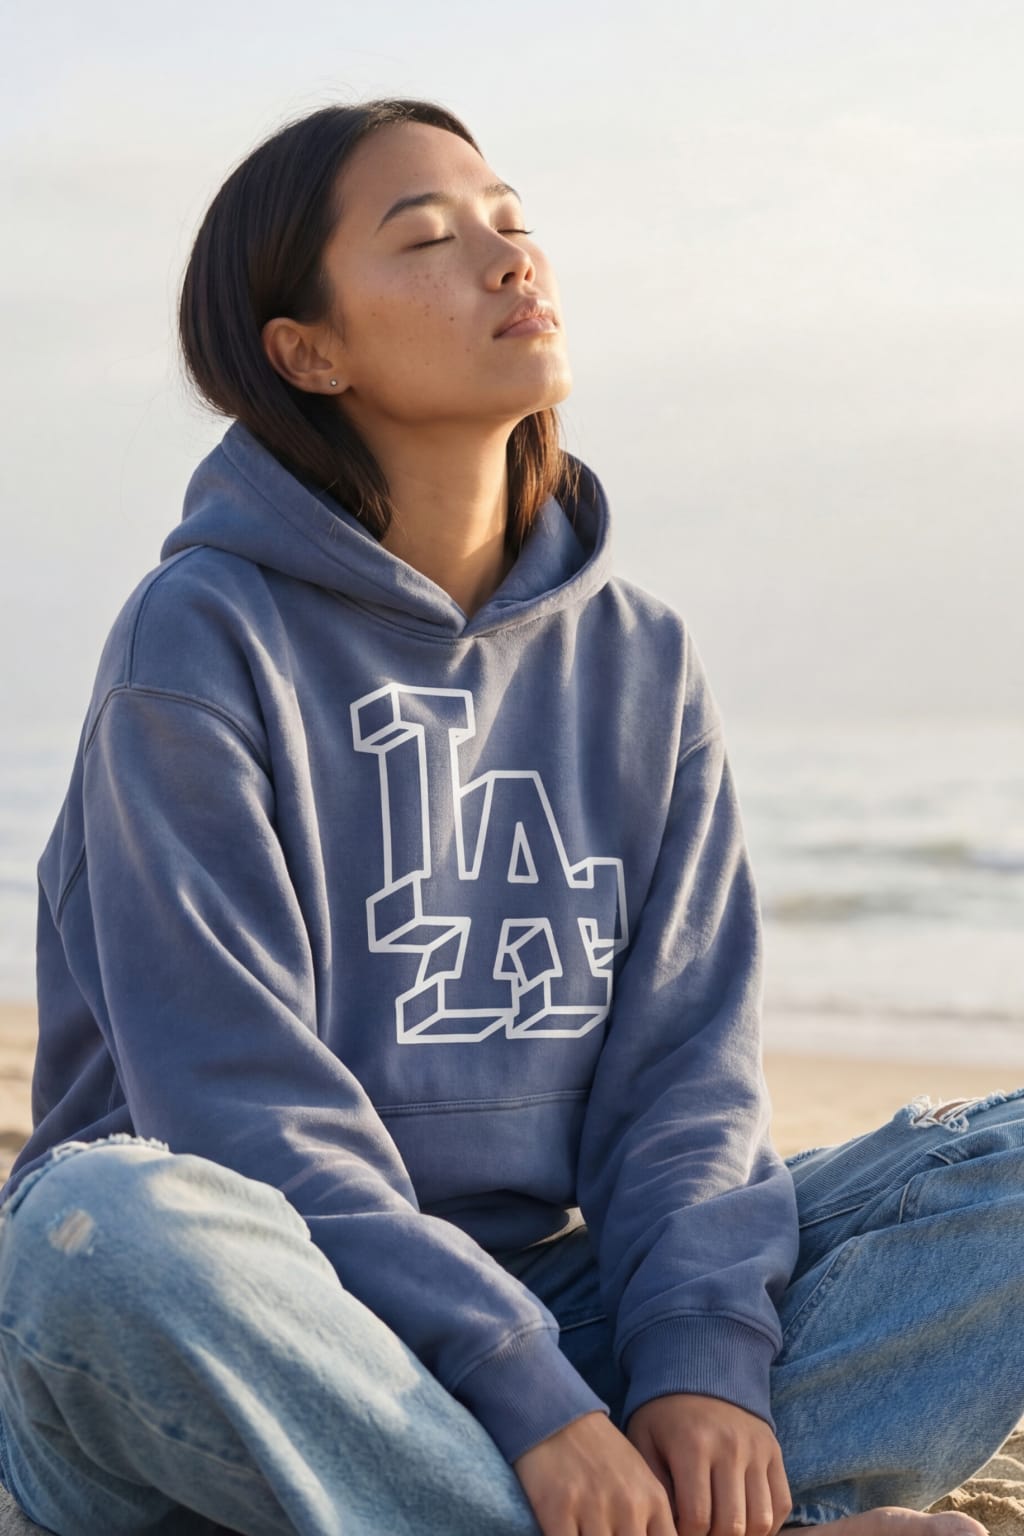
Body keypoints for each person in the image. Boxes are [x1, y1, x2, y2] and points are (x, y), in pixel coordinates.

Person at [0, 96, 1020, 1536]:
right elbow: (234, 1116)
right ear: (309, 351)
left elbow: (685, 1086)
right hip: (264, 1335)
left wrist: (699, 1364)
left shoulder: (641, 658)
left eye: (512, 221)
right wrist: (521, 1390)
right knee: (102, 1238)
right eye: (428, 235)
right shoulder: (197, 639)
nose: (508, 257)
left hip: (549, 1311)